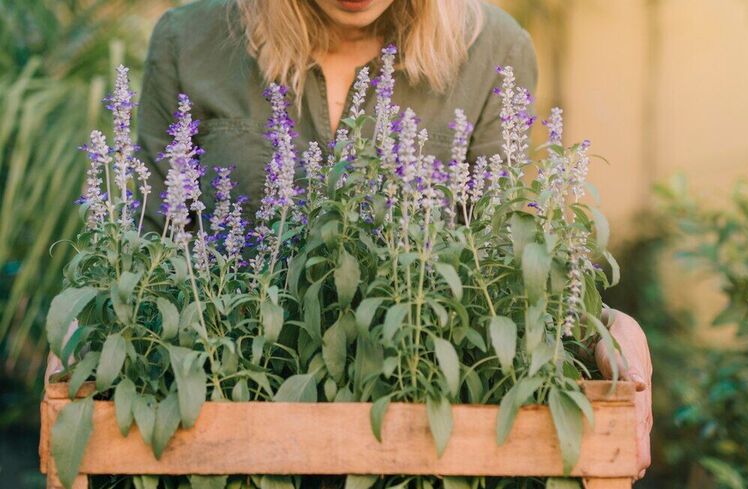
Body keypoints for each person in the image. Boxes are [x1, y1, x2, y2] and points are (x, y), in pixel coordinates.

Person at [137, 0, 653, 478]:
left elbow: (503, 266)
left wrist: (602, 327)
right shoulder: (191, 40)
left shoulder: (493, 48)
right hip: (227, 439)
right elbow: (151, 250)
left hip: (418, 445)